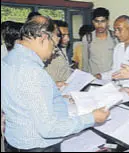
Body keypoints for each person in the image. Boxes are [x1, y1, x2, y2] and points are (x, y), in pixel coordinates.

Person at [1, 15, 109, 152]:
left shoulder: (9, 59)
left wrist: (52, 95)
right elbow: (49, 128)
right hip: (37, 146)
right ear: (44, 38)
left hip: (16, 140)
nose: (53, 51)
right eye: (54, 45)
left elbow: (22, 98)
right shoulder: (32, 71)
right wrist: (91, 118)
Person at [82, 7, 117, 75]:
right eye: (97, 21)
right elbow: (85, 63)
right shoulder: (87, 38)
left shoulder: (115, 37)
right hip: (94, 80)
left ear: (107, 21)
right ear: (93, 22)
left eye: (102, 21)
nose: (99, 25)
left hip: (112, 79)